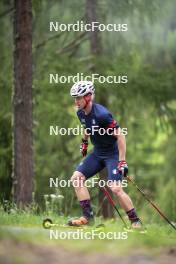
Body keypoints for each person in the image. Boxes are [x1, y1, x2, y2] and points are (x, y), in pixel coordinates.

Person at [68, 80, 142, 229]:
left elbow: (120, 136)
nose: (76, 101)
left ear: (88, 97)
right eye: (74, 98)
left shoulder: (102, 114)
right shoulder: (80, 112)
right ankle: (87, 217)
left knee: (115, 188)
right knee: (76, 179)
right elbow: (87, 126)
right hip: (97, 153)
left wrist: (122, 161)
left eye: (78, 97)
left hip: (112, 155)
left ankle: (136, 222)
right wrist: (84, 143)